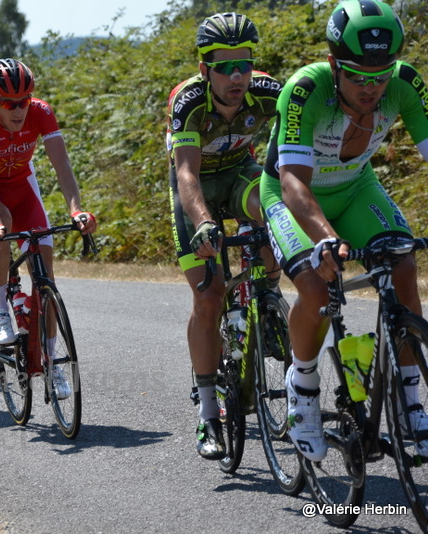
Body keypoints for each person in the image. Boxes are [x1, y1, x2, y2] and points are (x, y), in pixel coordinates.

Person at [260, 0, 428, 462]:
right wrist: (324, 237)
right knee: (316, 287)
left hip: (356, 189)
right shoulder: (304, 90)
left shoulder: (405, 83)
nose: (371, 88)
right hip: (291, 194)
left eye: (381, 75)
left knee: (405, 266)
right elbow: (293, 179)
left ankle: (410, 400)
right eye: (357, 76)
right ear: (334, 63)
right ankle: (303, 387)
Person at [166, 12, 282, 460]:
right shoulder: (189, 102)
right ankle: (209, 414)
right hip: (195, 190)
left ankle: (268, 298)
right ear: (204, 70)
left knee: (274, 212)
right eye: (225, 67)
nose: (238, 76)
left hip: (239, 176)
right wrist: (203, 223)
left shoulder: (269, 91)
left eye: (245, 65)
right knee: (210, 296)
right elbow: (186, 174)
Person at [0, 58, 96, 399]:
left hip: (23, 187)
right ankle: (0, 310)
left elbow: (62, 165)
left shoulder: (41, 113)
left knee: (45, 276)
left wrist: (77, 209)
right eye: (9, 104)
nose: (18, 110)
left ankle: (51, 362)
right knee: (2, 222)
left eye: (24, 101)